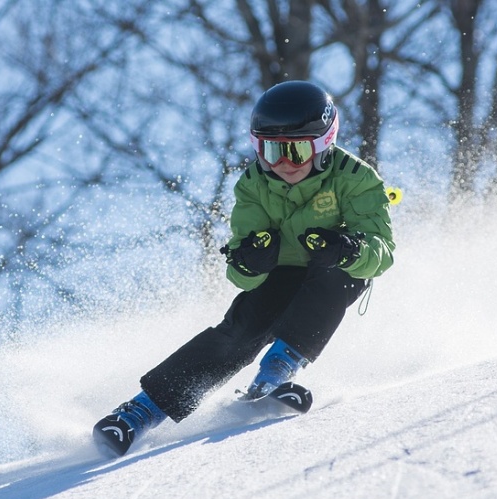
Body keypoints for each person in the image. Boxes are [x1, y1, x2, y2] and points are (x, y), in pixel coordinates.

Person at [93, 80, 395, 456]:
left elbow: (382, 252)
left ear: (323, 145)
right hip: (280, 274)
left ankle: (274, 374)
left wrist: (348, 249)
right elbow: (239, 272)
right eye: (270, 151)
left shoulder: (356, 177)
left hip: (332, 269)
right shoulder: (253, 184)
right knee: (241, 329)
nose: (282, 164)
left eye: (297, 151)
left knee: (342, 276)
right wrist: (250, 261)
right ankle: (140, 412)